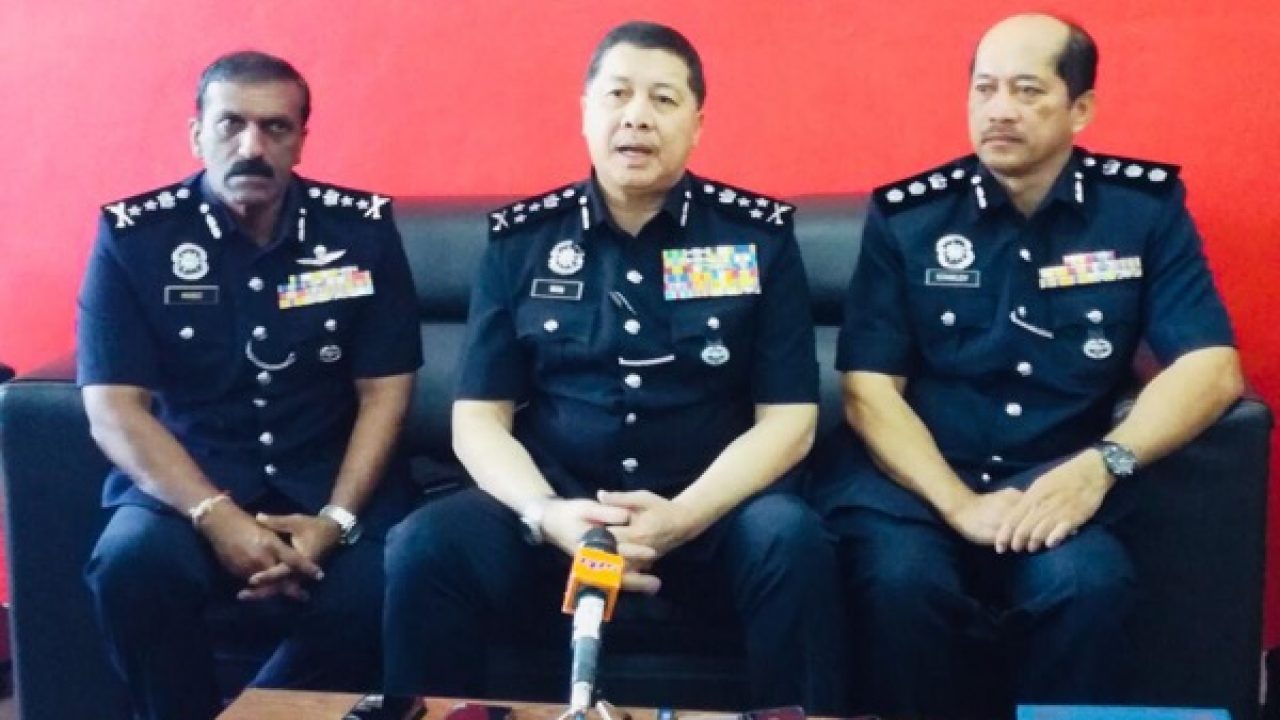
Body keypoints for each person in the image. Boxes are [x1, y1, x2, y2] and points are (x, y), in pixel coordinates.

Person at [384, 20, 845, 713]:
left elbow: (790, 422)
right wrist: (547, 514)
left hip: (711, 516)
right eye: (618, 94)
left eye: (663, 99)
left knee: (792, 540)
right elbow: (478, 420)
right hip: (557, 513)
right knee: (426, 545)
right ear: (585, 113)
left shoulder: (756, 239)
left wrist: (682, 518)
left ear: (697, 125)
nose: (636, 116)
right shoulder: (521, 242)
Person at [813, 13, 1245, 719]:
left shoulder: (1140, 211)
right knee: (899, 583)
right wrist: (959, 504)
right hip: (917, 488)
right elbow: (867, 390)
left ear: (1081, 108)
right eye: (984, 89)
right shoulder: (910, 218)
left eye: (1026, 90)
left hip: (1058, 476)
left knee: (1087, 586)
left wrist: (1101, 466)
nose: (1000, 109)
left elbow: (1212, 366)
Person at [78, 50, 421, 720]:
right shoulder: (136, 237)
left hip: (328, 483)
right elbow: (114, 408)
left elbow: (385, 392)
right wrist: (216, 516)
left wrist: (335, 521)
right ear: (196, 133)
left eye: (275, 128)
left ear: (300, 140)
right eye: (231, 124)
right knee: (131, 564)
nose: (252, 147)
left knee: (391, 579)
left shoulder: (360, 232)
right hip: (188, 487)